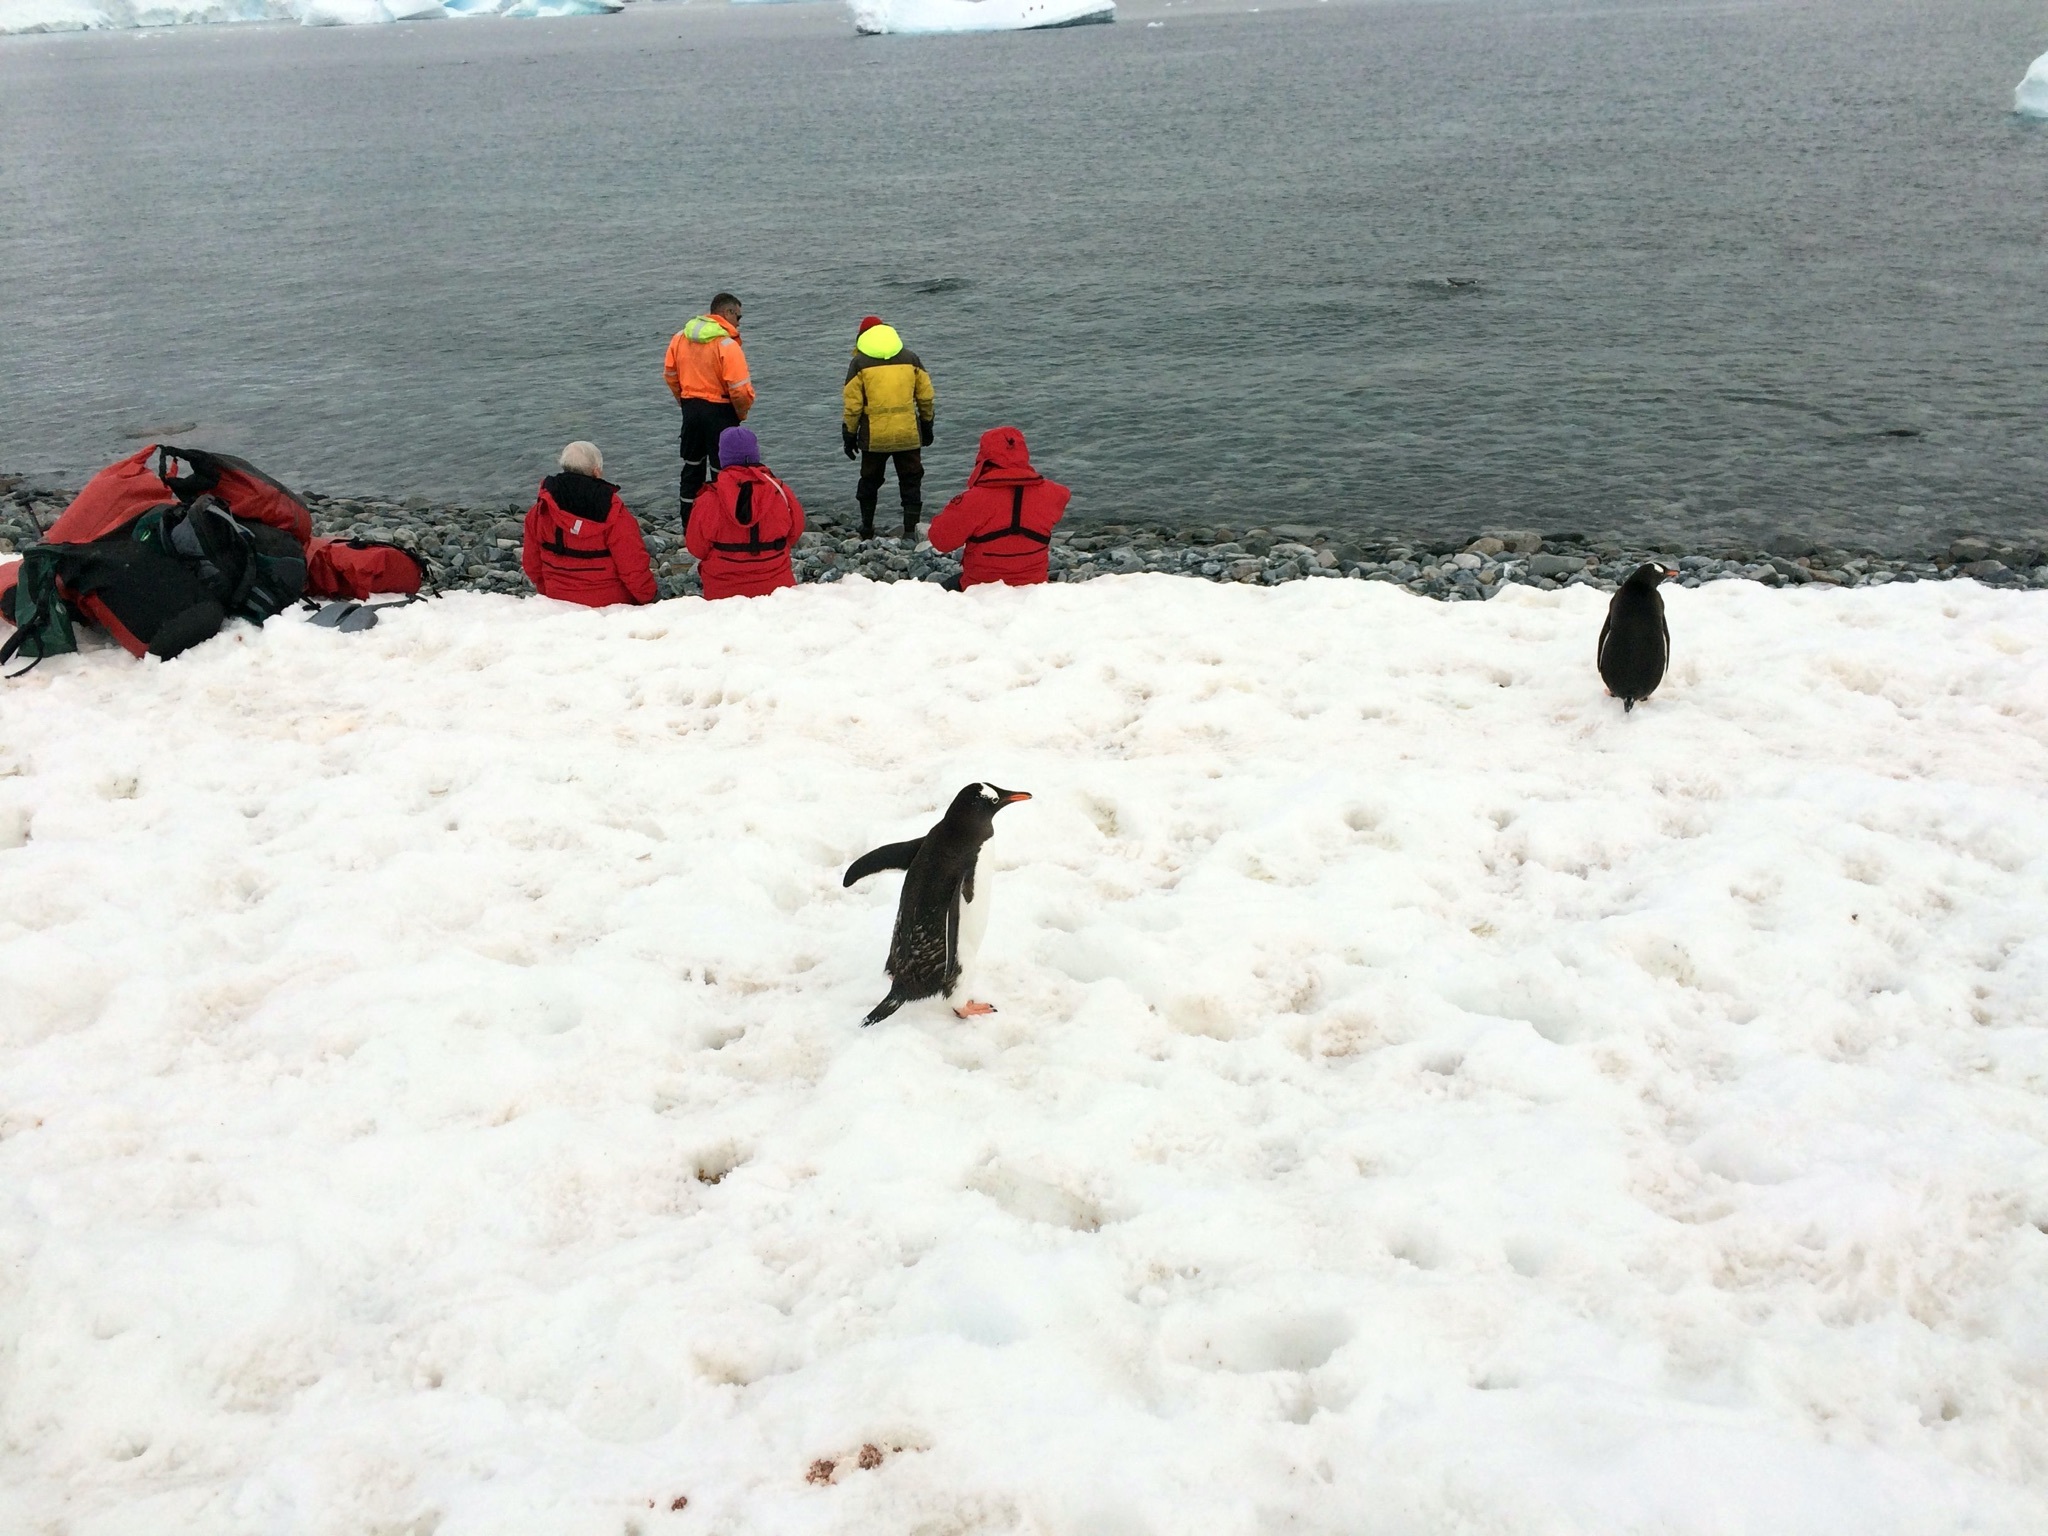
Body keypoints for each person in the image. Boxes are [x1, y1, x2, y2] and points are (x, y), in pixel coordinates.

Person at [928, 426, 1070, 589]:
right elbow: (1061, 496)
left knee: (940, 590)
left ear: (984, 456)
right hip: (1034, 587)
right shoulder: (1055, 493)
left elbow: (940, 541)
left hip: (981, 588)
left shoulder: (973, 499)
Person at [520, 441, 658, 607]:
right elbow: (632, 566)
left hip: (558, 600)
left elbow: (532, 564)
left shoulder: (540, 510)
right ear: (596, 472)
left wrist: (547, 592)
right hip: (612, 604)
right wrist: (648, 599)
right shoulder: (614, 512)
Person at [663, 292, 755, 529]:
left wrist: (684, 402)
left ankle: (689, 521)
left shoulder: (679, 338)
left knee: (692, 466)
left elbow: (670, 375)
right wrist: (740, 414)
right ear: (728, 313)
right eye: (739, 316)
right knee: (723, 471)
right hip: (721, 411)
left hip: (691, 409)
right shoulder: (727, 344)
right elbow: (740, 390)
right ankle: (724, 522)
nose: (739, 322)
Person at [841, 315, 935, 541]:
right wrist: (927, 424)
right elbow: (926, 397)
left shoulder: (859, 363)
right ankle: (911, 531)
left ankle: (866, 528)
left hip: (874, 436)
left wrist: (849, 434)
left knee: (870, 480)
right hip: (908, 434)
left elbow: (853, 406)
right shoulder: (911, 358)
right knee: (911, 479)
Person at [684, 426, 805, 600]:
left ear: (722, 457)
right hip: (777, 590)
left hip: (723, 594)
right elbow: (795, 533)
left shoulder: (708, 499)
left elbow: (696, 547)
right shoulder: (781, 491)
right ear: (755, 454)